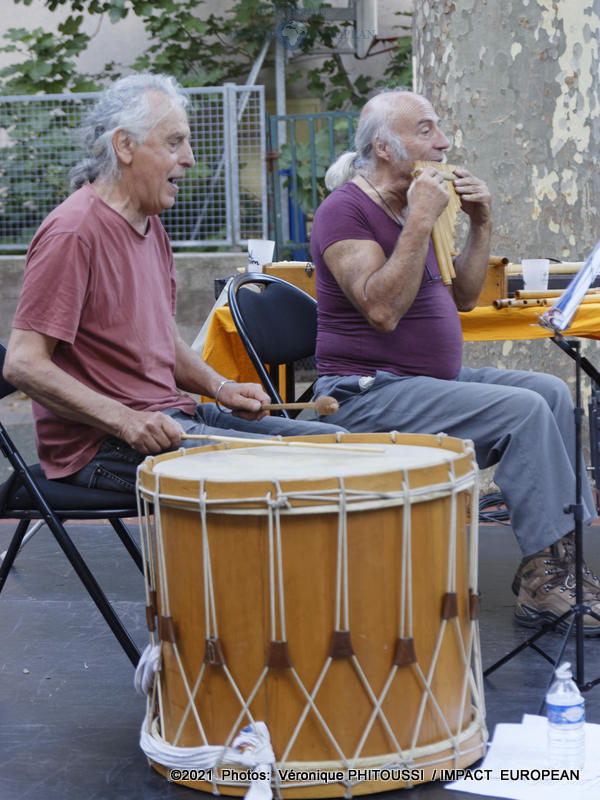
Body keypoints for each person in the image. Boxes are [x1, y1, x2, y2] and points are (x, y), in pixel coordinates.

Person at [309, 89, 600, 633]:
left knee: (548, 391)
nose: (442, 143)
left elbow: (464, 297)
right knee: (522, 412)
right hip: (364, 394)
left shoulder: (412, 207)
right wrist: (419, 219)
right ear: (385, 148)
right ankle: (548, 575)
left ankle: (556, 564)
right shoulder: (345, 210)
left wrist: (480, 222)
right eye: (426, 130)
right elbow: (380, 310)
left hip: (424, 383)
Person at [2, 73, 343, 494]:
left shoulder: (152, 225)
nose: (190, 158)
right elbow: (23, 363)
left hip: (174, 416)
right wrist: (126, 419)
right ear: (124, 145)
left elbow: (161, 340)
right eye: (174, 142)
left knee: (335, 447)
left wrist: (221, 388)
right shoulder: (73, 232)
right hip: (105, 444)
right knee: (289, 475)